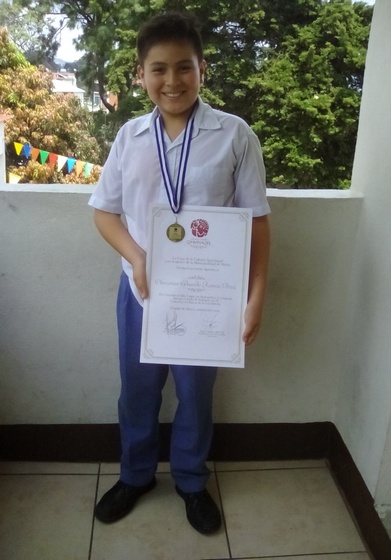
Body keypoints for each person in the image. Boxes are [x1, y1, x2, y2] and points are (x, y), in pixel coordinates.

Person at [88, 12, 270, 535]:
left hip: (207, 296)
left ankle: (191, 480)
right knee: (137, 391)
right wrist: (138, 257)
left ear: (202, 69)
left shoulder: (235, 136)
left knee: (195, 394)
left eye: (184, 67)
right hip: (140, 292)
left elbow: (257, 224)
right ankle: (135, 474)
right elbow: (104, 212)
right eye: (159, 69)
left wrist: (256, 296)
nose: (172, 81)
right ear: (140, 75)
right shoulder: (130, 137)